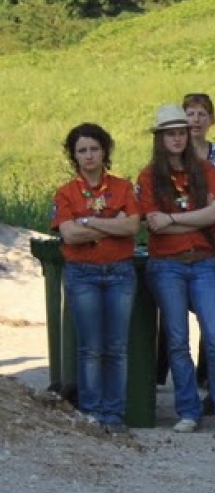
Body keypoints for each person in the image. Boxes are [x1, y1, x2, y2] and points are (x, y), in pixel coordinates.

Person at [137, 105, 215, 436]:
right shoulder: (149, 176)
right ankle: (188, 410)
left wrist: (173, 219)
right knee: (177, 340)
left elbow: (214, 215)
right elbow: (152, 225)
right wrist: (189, 218)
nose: (177, 138)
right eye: (171, 133)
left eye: (181, 132)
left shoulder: (205, 170)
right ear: (160, 138)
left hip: (204, 261)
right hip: (167, 265)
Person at [52, 123, 141, 432]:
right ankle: (91, 413)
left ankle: (114, 415)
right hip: (82, 274)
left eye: (94, 149)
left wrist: (87, 221)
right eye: (82, 151)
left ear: (105, 151)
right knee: (90, 347)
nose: (89, 156)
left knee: (116, 347)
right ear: (74, 156)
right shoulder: (66, 193)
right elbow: (70, 234)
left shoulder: (123, 188)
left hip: (120, 272)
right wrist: (107, 221)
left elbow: (131, 227)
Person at [182, 93, 215, 169]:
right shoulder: (176, 153)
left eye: (201, 114)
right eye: (191, 114)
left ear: (211, 119)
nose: (196, 119)